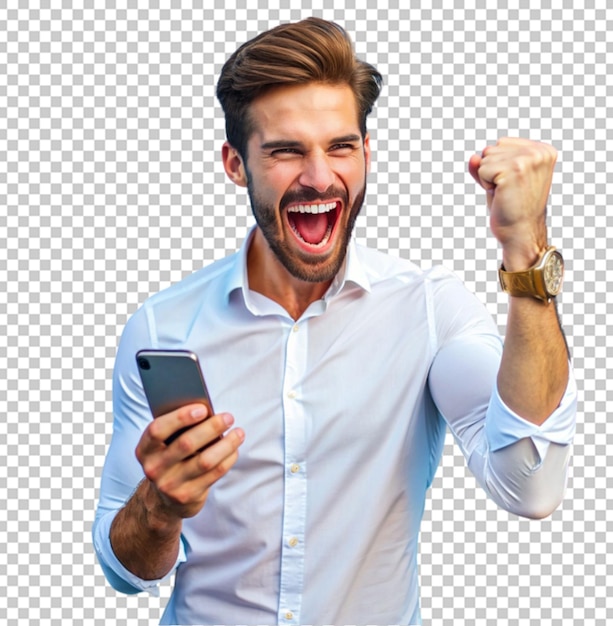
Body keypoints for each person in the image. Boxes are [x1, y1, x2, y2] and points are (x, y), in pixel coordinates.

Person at [92, 17, 577, 625]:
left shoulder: (428, 309)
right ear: (235, 164)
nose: (320, 177)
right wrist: (160, 508)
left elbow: (530, 485)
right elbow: (124, 572)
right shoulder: (163, 326)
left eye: (341, 147)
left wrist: (524, 247)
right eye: (286, 151)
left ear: (367, 153)